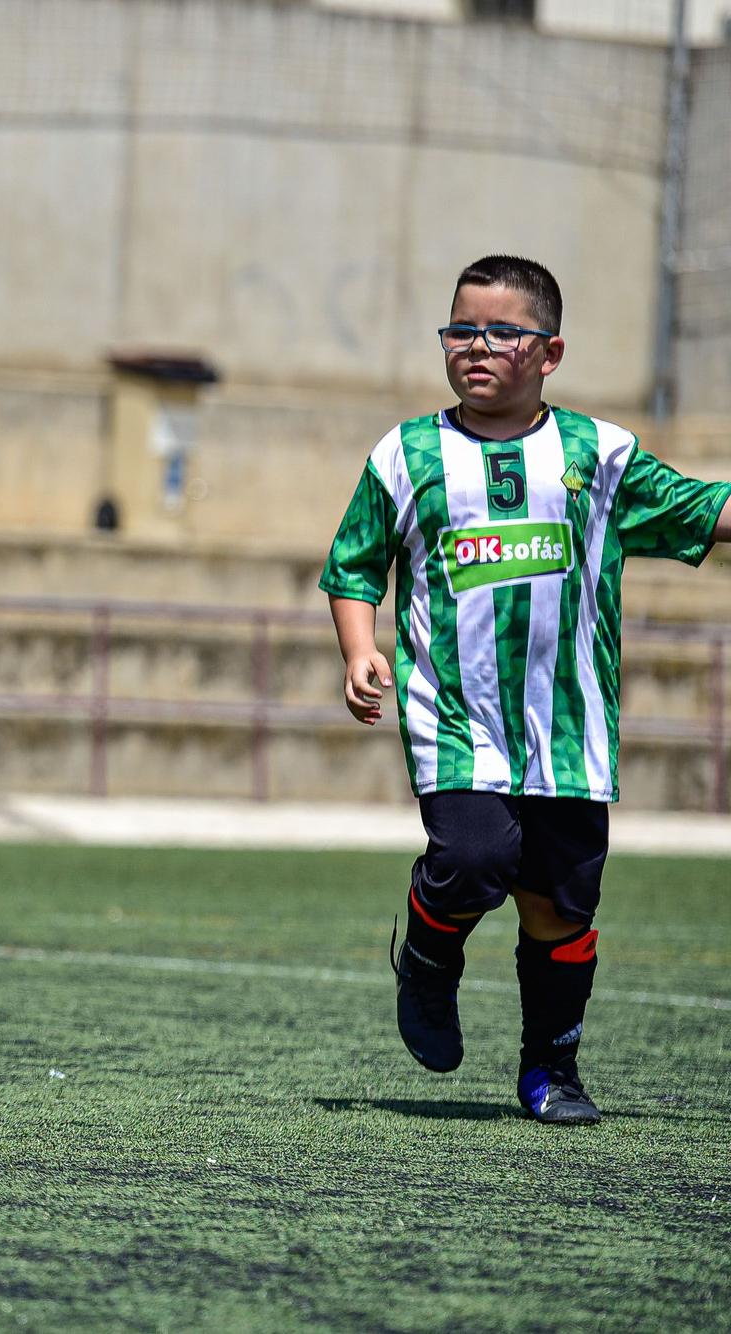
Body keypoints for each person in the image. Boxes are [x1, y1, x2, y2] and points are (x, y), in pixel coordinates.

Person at [320, 254, 731, 1123]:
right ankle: (430, 964)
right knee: (473, 858)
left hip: (569, 728)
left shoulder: (598, 453)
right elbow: (354, 567)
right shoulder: (406, 453)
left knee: (557, 906)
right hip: (455, 717)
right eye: (461, 328)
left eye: (503, 332)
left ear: (549, 352)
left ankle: (550, 1071)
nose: (477, 346)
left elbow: (704, 510)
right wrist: (360, 650)